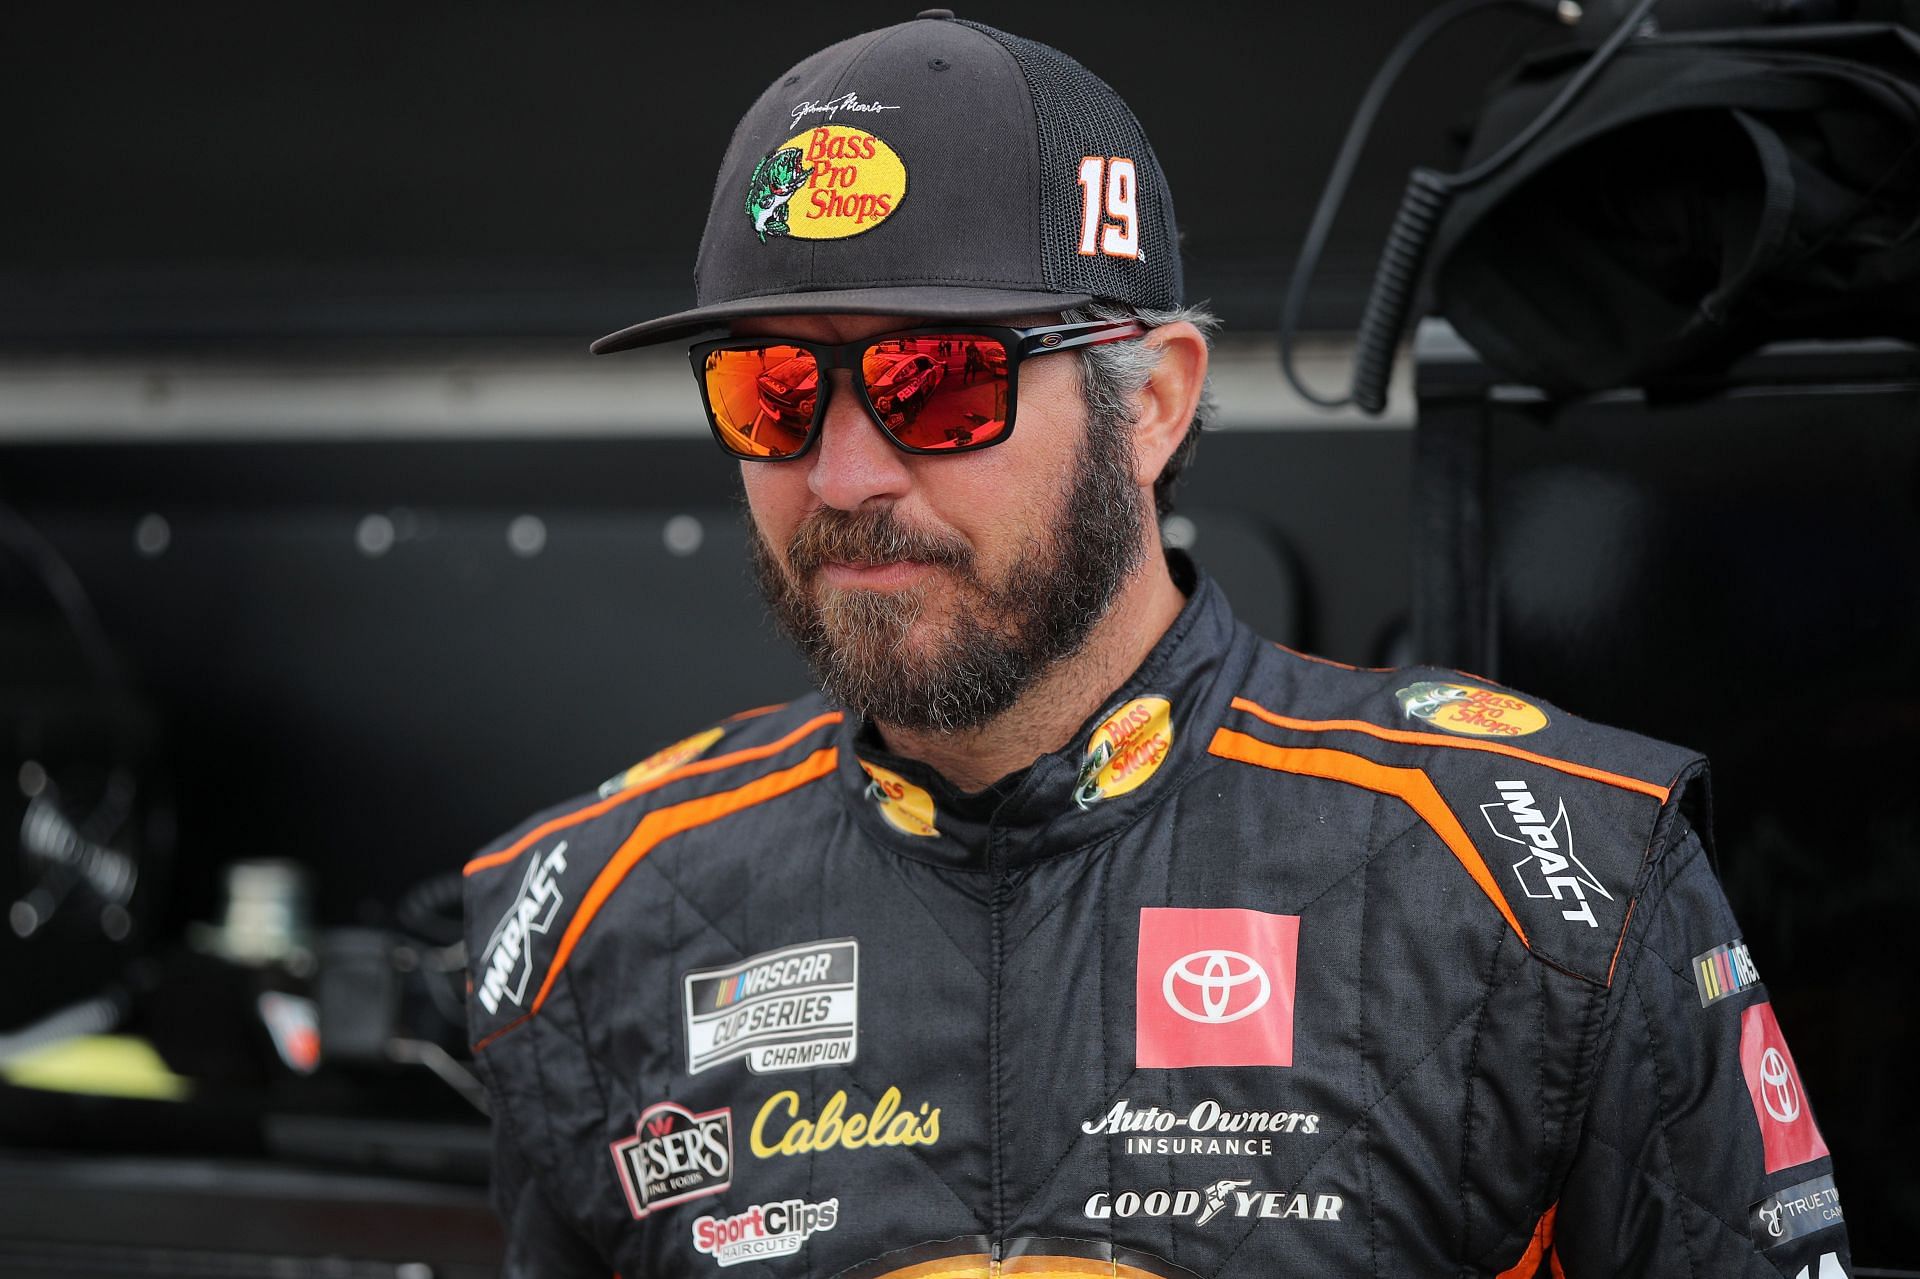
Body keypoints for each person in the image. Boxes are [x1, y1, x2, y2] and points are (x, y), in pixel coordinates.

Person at [463, 13, 1851, 1279]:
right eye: (770, 389)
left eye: (937, 382)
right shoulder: (592, 921)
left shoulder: (1551, 880)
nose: (841, 476)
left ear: (1154, 406)